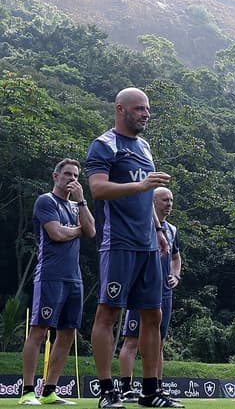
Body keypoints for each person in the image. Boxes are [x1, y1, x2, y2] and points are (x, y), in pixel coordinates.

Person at [86, 88, 180, 409]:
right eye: (139, 109)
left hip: (147, 245)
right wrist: (140, 185)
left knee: (152, 316)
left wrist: (158, 229)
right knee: (108, 313)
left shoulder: (144, 146)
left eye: (147, 109)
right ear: (120, 109)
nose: (145, 114)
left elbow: (147, 195)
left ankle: (151, 390)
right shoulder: (105, 145)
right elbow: (97, 189)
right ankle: (107, 391)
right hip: (118, 243)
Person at [19, 159, 96, 406]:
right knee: (39, 330)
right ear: (56, 176)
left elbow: (92, 231)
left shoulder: (76, 206)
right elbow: (57, 233)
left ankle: (50, 390)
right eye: (67, 174)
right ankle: (28, 391)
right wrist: (76, 230)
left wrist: (82, 201)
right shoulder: (46, 201)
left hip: (74, 278)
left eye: (75, 175)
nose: (71, 179)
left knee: (68, 333)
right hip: (50, 275)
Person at [119, 188, 182, 402]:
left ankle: (156, 388)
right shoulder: (143, 224)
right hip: (143, 289)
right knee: (132, 340)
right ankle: (126, 387)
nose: (169, 203)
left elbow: (175, 257)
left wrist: (176, 275)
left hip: (164, 292)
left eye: (171, 200)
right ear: (153, 201)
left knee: (159, 341)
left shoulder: (172, 229)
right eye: (165, 199)